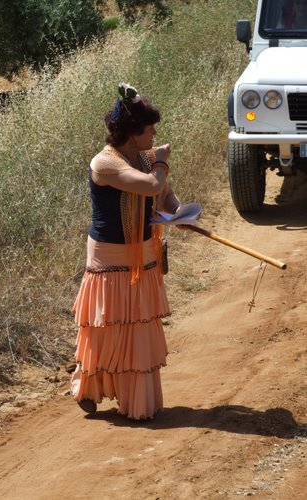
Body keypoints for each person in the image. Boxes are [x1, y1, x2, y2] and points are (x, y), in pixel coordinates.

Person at [70, 83, 182, 420]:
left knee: (137, 329)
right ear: (132, 134)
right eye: (149, 130)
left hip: (143, 253)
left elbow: (164, 196)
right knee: (106, 329)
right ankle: (88, 387)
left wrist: (182, 215)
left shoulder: (145, 157)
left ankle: (131, 399)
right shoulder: (105, 164)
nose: (154, 135)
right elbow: (151, 186)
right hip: (110, 258)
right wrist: (161, 164)